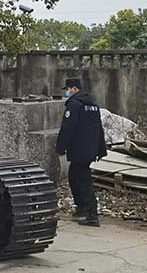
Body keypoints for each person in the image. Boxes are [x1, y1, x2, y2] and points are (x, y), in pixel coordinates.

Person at [55, 77, 107, 227]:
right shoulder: (92, 105)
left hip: (80, 150)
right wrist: (100, 150)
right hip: (89, 149)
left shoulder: (75, 104)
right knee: (74, 176)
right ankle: (82, 208)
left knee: (83, 181)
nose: (66, 92)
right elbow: (99, 129)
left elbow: (68, 128)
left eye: (68, 89)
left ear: (74, 89)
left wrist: (60, 147)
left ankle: (92, 215)